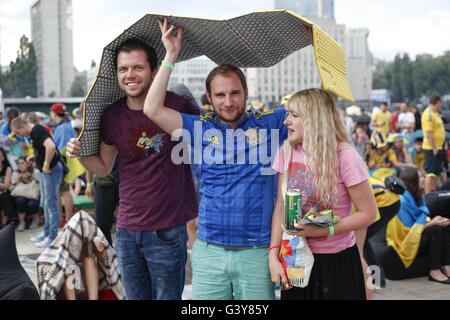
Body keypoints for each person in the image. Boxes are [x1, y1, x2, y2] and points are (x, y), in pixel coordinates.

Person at [143, 18, 288, 300]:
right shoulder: (200, 127)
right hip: (210, 253)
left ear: (246, 93)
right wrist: (170, 56)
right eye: (220, 95)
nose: (229, 101)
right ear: (209, 98)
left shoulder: (272, 123)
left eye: (235, 93)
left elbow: (317, 110)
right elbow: (151, 109)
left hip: (258, 252)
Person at [66, 37, 199, 300]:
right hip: (127, 230)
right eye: (123, 69)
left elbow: (209, 144)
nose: (130, 75)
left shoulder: (178, 106)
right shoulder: (112, 115)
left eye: (138, 67)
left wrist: (172, 52)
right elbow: (103, 167)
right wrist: (79, 154)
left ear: (153, 71)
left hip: (168, 230)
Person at [267, 89, 377, 300]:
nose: (286, 122)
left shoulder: (345, 157)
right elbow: (281, 206)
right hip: (294, 258)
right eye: (288, 114)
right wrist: (273, 253)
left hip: (336, 261)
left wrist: (326, 230)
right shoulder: (286, 151)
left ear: (314, 119)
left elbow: (368, 213)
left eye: (294, 115)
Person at [386, 167, 450, 283]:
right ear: (412, 181)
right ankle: (434, 271)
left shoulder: (418, 197)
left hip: (415, 235)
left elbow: (420, 221)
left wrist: (434, 221)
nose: (424, 179)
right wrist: (432, 223)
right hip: (403, 241)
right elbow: (407, 230)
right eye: (420, 177)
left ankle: (446, 266)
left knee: (441, 226)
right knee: (436, 229)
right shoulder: (402, 201)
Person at [11, 117, 64, 248]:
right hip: (46, 170)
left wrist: (46, 164)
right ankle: (47, 233)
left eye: (18, 133)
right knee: (46, 203)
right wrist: (36, 157)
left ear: (22, 126)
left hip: (50, 170)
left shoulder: (36, 131)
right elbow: (45, 148)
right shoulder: (34, 132)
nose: (18, 136)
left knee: (50, 203)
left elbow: (51, 146)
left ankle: (52, 236)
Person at [49, 103, 77, 227]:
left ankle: (67, 220)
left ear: (54, 113)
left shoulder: (63, 127)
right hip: (65, 164)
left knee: (64, 193)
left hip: (62, 164)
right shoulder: (66, 125)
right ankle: (64, 219)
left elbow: (60, 148)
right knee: (62, 192)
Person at [85, 159, 119, 247]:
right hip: (103, 182)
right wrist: (89, 183)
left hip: (127, 180)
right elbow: (88, 157)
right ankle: (108, 256)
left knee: (127, 225)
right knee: (102, 225)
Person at [421, 95, 446, 193]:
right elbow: (428, 133)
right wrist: (434, 148)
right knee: (431, 173)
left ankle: (433, 191)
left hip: (438, 147)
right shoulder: (428, 114)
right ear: (438, 102)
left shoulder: (435, 113)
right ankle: (428, 195)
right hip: (431, 148)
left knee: (435, 173)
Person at [13, 155, 41, 231]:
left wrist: (30, 179)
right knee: (19, 200)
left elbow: (39, 186)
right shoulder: (16, 173)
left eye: (22, 163)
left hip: (33, 194)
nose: (20, 166)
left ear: (28, 164)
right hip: (21, 195)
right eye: (19, 163)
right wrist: (19, 179)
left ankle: (36, 219)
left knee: (32, 203)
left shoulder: (36, 172)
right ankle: (21, 222)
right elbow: (13, 190)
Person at [0, 148, 16, 229]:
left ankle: (3, 223)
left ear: (3, 158)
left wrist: (2, 186)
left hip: (5, 193)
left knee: (4, 198)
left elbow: (6, 186)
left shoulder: (7, 169)